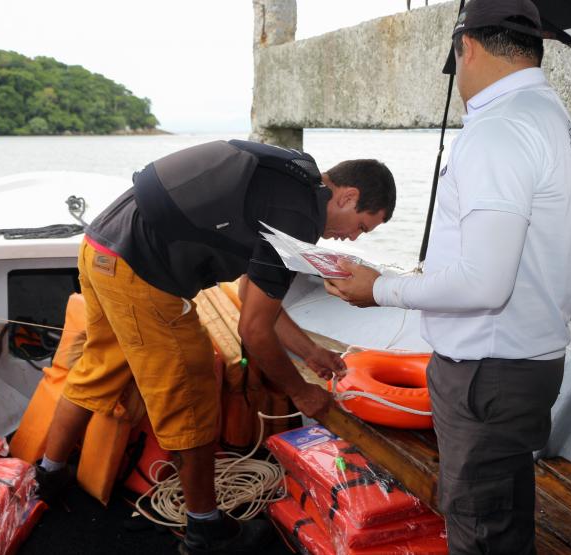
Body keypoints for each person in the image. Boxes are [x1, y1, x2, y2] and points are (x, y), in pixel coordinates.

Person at [36, 139, 396, 554]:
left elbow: (250, 293)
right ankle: (205, 530)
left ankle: (50, 475)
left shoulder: (291, 182)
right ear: (348, 196)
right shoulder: (298, 217)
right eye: (362, 226)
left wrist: (311, 354)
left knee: (99, 366)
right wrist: (301, 391)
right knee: (190, 394)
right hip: (142, 272)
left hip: (102, 247)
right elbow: (255, 330)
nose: (352, 238)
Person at [324, 1, 571, 553]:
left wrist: (378, 288)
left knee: (477, 530)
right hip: (528, 366)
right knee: (504, 521)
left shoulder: (497, 132)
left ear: (465, 46)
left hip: (486, 376)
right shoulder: (554, 123)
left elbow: (484, 284)